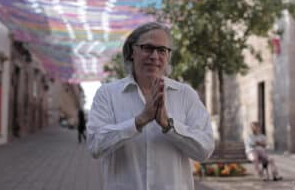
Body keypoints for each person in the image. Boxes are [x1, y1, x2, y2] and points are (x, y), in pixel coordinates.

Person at [87, 22, 215, 190]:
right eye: (147, 48)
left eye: (162, 50)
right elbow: (95, 145)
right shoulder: (107, 94)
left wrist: (168, 126)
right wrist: (138, 121)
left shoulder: (185, 94)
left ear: (168, 56)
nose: (154, 56)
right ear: (132, 51)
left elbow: (204, 150)